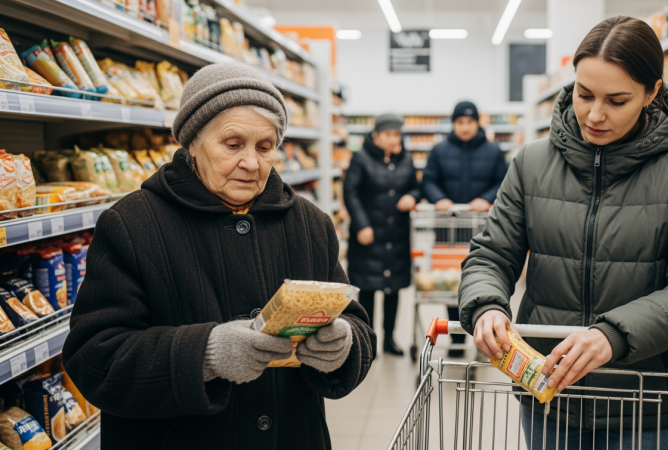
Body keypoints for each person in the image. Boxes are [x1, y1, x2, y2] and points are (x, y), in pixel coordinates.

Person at [62, 63, 376, 450]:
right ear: (192, 142)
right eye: (232, 144)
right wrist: (205, 354)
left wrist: (344, 345)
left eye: (265, 147)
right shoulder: (132, 225)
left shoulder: (311, 225)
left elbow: (357, 327)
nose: (251, 162)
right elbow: (94, 359)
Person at [458, 16, 668, 449]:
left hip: (644, 404)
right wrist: (487, 304)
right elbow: (490, 255)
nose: (595, 114)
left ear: (652, 93)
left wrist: (613, 335)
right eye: (584, 95)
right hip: (550, 396)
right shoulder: (531, 164)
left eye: (616, 100)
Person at [423, 101, 508, 355]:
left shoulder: (493, 152)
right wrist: (439, 198)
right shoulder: (439, 150)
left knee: (482, 277)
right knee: (451, 281)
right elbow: (428, 179)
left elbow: (504, 181)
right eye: (460, 122)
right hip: (448, 227)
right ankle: (457, 334)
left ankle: (482, 332)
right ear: (454, 124)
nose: (465, 127)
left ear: (477, 123)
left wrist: (486, 199)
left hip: (482, 227)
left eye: (469, 122)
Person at [344, 114, 420, 356]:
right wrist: (362, 224)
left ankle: (389, 339)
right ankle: (368, 339)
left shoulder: (406, 159)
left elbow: (416, 186)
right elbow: (351, 192)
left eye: (396, 134)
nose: (393, 139)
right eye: (388, 134)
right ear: (376, 135)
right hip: (369, 235)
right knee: (368, 288)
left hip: (396, 235)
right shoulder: (361, 158)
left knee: (393, 289)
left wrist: (413, 196)